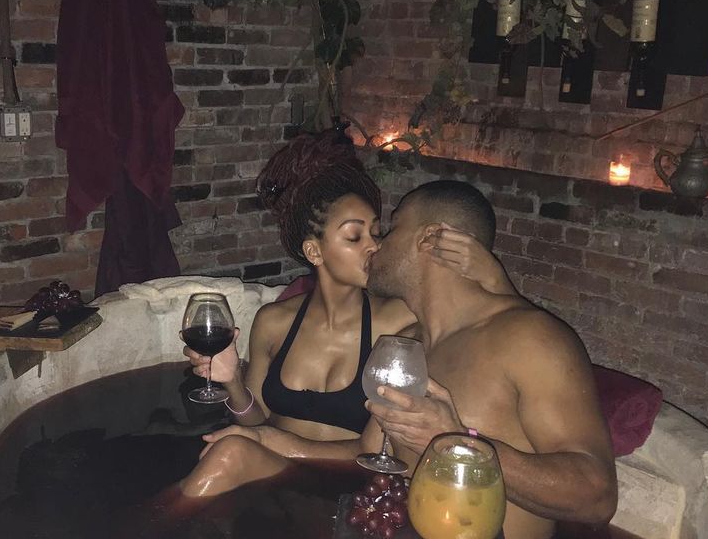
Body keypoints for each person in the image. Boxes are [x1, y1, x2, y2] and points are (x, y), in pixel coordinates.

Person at [188, 179, 616, 539]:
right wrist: (263, 438)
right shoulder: (406, 347)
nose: (378, 244)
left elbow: (596, 497)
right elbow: (364, 454)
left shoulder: (528, 338)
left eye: (389, 229)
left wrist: (455, 441)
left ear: (430, 239)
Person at [180, 133, 514, 493]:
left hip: (350, 483)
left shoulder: (399, 324)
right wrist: (231, 380)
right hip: (272, 474)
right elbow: (255, 420)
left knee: (229, 452)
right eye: (355, 237)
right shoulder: (273, 321)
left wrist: (494, 276)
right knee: (229, 452)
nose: (374, 246)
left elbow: (477, 318)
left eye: (377, 232)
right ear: (314, 252)